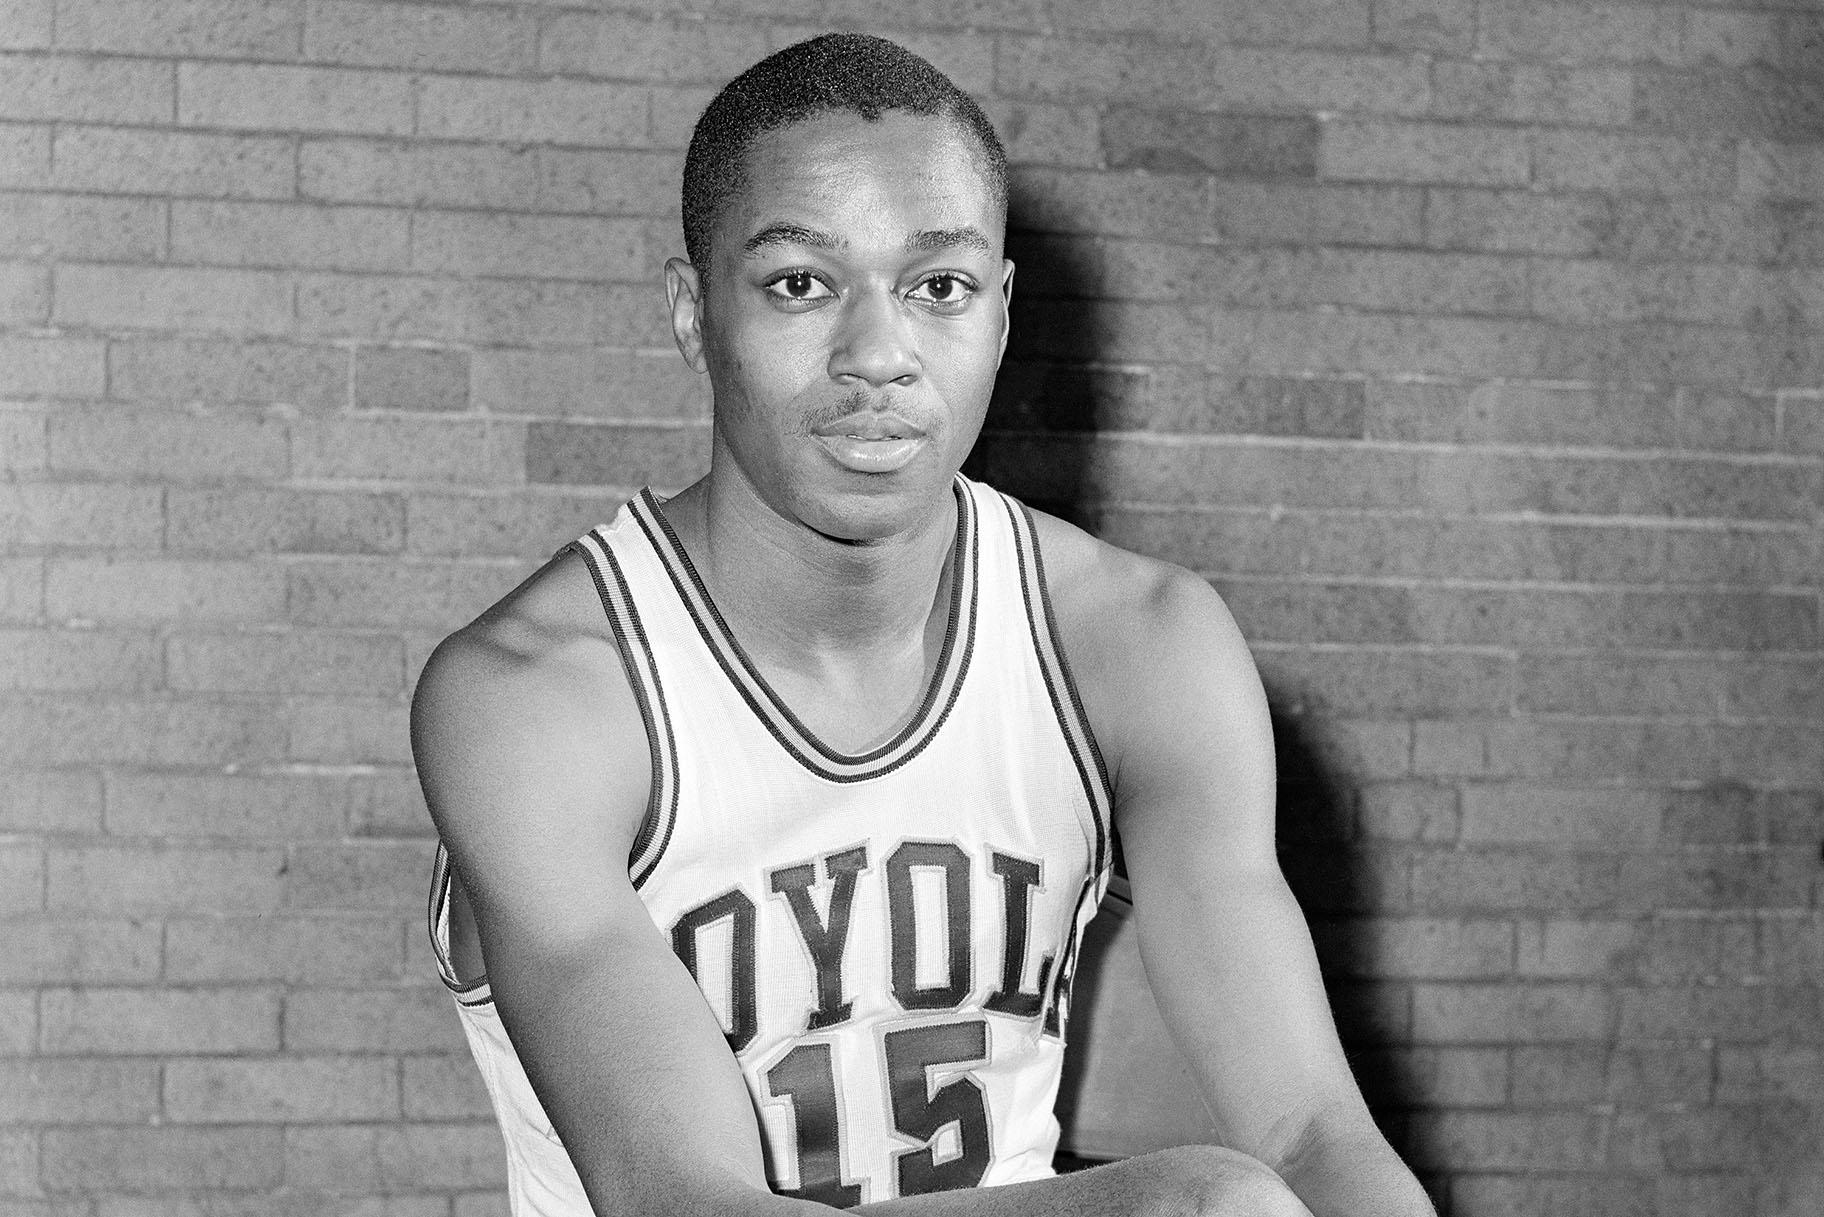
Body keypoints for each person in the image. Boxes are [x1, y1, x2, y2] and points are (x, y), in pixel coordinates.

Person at [412, 32, 1435, 1217]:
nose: (878, 354)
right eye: (801, 282)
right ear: (695, 315)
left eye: (935, 286)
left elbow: (1312, 1128)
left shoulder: (1137, 639)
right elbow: (684, 1200)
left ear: (999, 312)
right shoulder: (538, 696)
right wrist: (1187, 1200)